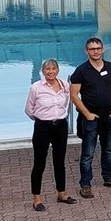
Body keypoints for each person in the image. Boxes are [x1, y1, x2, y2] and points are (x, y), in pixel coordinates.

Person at [70, 38, 111, 199]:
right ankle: (85, 184)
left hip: (109, 115)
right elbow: (74, 95)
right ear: (86, 51)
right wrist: (87, 114)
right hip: (91, 117)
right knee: (88, 154)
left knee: (109, 149)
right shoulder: (81, 71)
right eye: (92, 49)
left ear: (103, 49)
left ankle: (108, 177)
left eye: (98, 48)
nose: (96, 51)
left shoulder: (110, 67)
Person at [25, 59, 75, 211]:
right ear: (43, 71)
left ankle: (62, 193)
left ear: (58, 70)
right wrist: (42, 119)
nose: (51, 71)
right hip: (42, 127)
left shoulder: (65, 85)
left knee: (59, 161)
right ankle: (37, 198)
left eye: (53, 69)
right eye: (47, 69)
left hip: (60, 126)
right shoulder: (36, 88)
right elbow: (29, 109)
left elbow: (66, 103)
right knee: (39, 163)